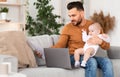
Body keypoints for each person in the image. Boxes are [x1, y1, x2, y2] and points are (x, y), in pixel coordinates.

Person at [52, 1, 114, 77]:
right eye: (70, 16)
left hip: (89, 54)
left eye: (74, 15)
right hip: (74, 56)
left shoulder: (93, 26)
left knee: (107, 62)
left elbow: (107, 46)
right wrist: (45, 52)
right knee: (91, 62)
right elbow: (60, 45)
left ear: (82, 13)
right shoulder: (67, 28)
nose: (71, 19)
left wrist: (100, 41)